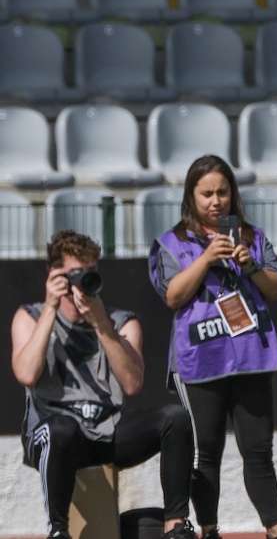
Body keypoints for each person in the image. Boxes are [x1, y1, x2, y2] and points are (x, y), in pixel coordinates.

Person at [148, 155, 277, 539]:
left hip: (252, 356)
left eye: (222, 192)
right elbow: (172, 296)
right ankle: (209, 529)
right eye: (206, 194)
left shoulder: (253, 237)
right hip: (200, 359)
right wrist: (205, 259)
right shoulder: (171, 243)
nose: (216, 201)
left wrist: (249, 265)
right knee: (206, 453)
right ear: (191, 196)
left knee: (258, 450)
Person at [13, 230, 195, 539]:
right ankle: (57, 531)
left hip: (105, 432)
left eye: (89, 274)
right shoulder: (29, 316)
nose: (80, 284)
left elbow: (133, 383)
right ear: (53, 274)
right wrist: (50, 308)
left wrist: (100, 324)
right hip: (52, 437)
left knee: (175, 418)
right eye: (73, 274)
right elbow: (27, 374)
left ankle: (175, 526)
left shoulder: (121, 321)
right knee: (61, 428)